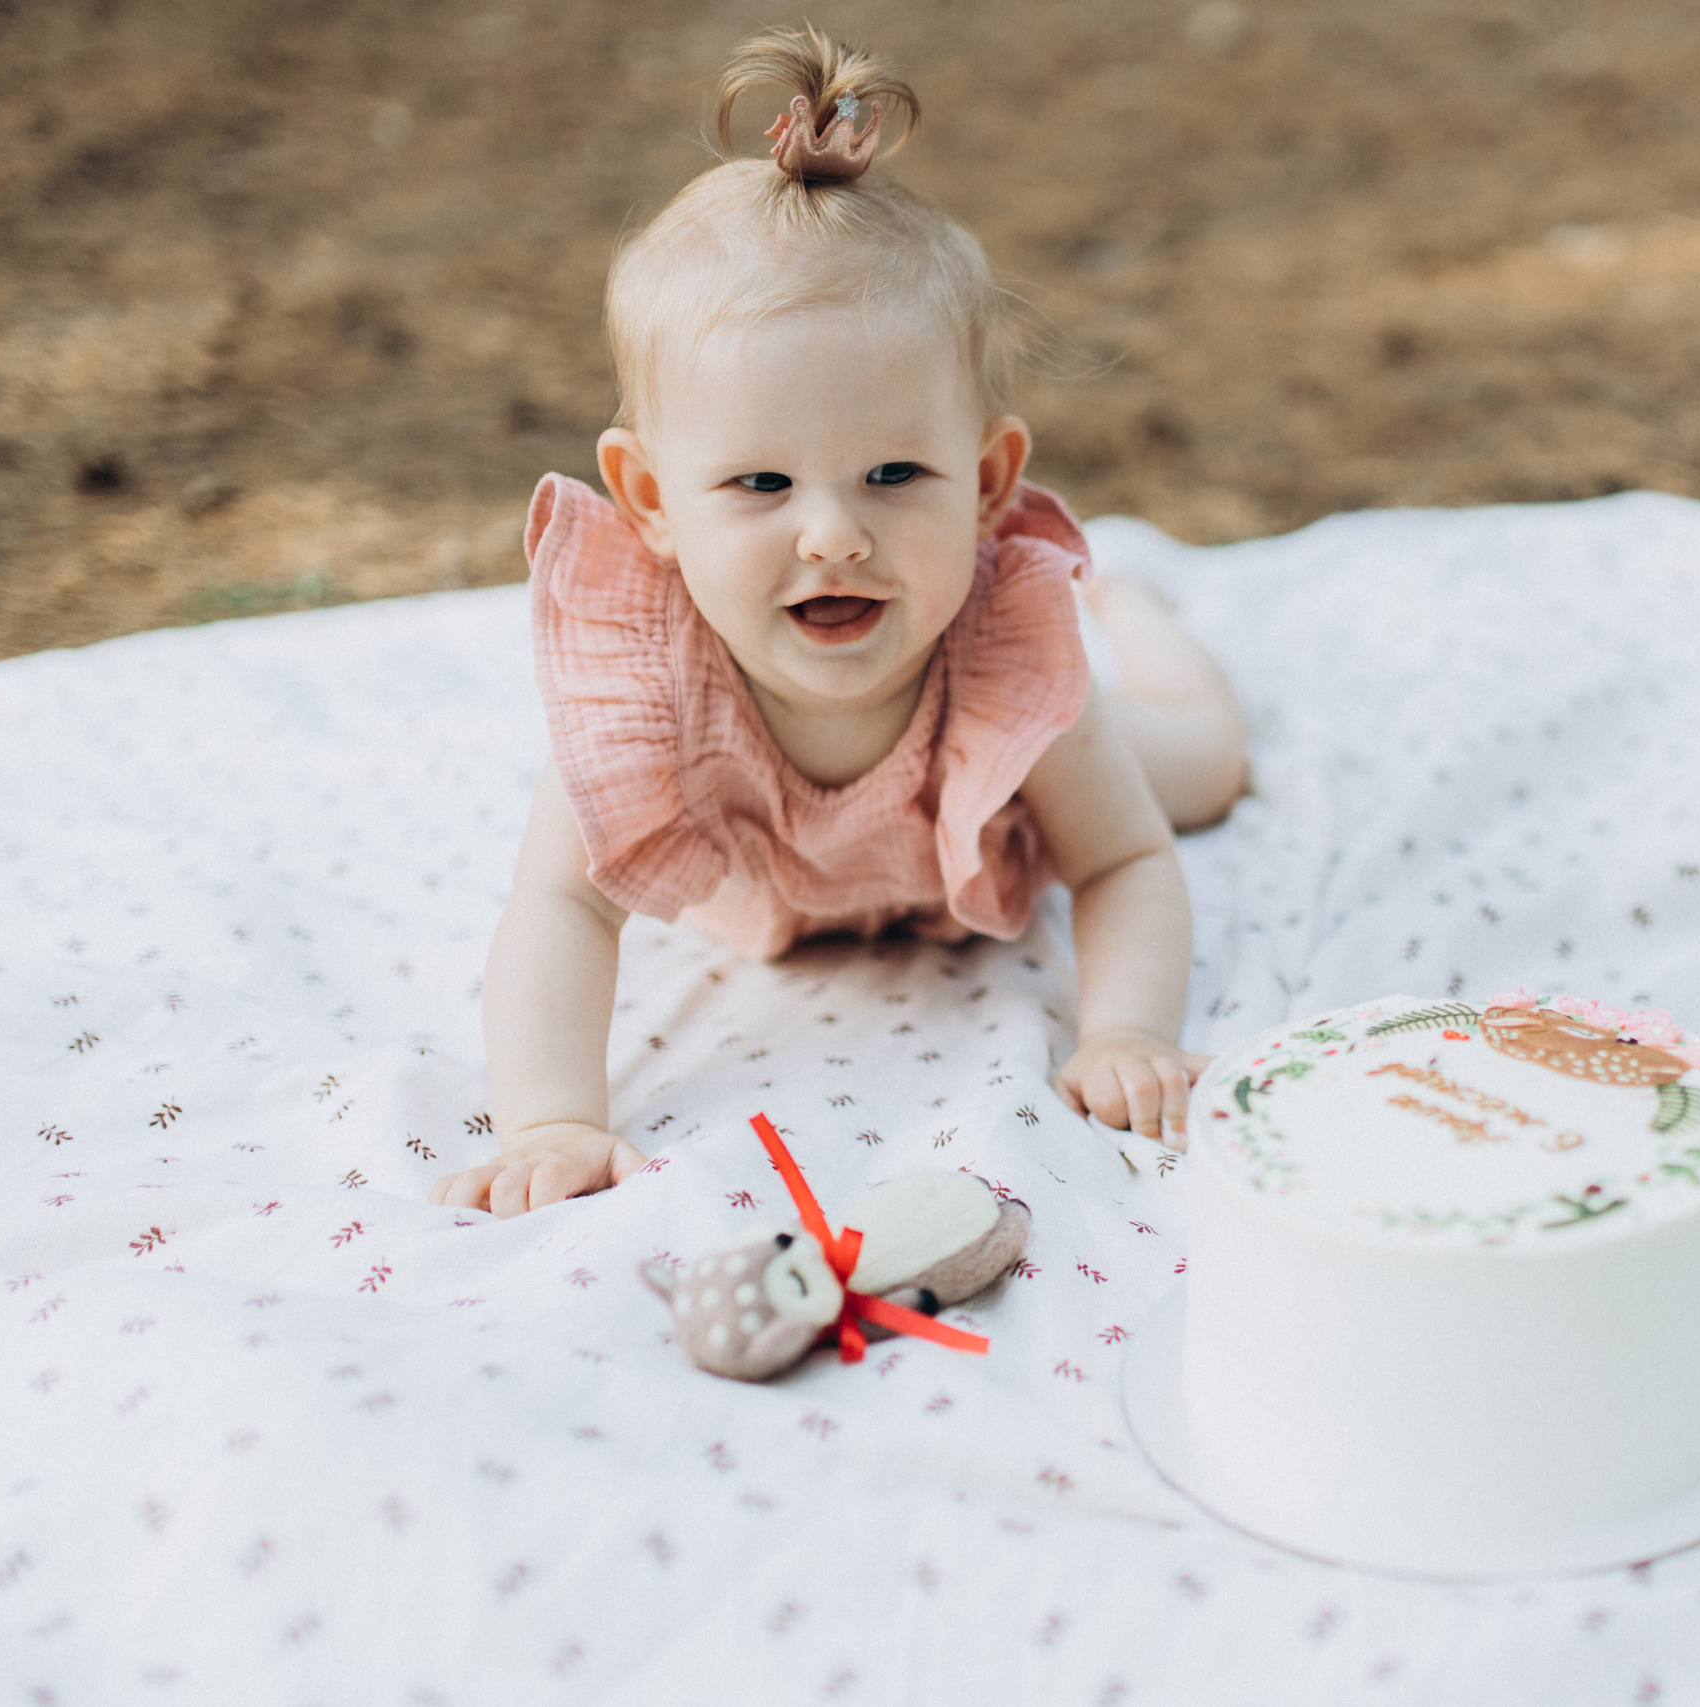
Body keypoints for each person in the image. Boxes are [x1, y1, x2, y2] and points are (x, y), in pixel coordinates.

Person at [430, 27, 1247, 1218]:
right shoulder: (651, 682)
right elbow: (561, 905)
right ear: (651, 501)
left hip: (999, 807)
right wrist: (551, 1120)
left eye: (894, 475)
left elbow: (1124, 861)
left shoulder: (1006, 671)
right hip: (774, 894)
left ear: (986, 482)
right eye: (761, 486)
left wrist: (1126, 1031)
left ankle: (1140, 607)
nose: (831, 537)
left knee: (1209, 762)